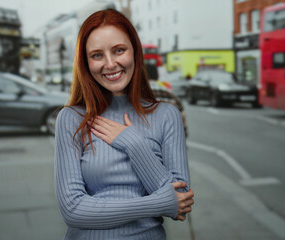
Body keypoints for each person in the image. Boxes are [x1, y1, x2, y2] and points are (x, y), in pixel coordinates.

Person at [54, 9, 194, 240]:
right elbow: (73, 211)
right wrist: (158, 202)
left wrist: (134, 144)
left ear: (135, 52)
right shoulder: (72, 119)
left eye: (119, 50)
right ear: (85, 62)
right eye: (97, 55)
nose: (110, 64)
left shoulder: (167, 115)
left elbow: (181, 200)